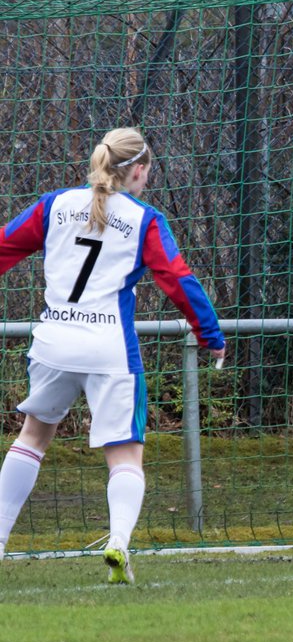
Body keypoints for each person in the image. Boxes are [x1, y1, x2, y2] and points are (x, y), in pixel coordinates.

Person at [0, 127, 226, 582]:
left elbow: (4, 246)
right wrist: (209, 334)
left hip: (54, 343)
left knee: (31, 440)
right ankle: (118, 543)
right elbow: (176, 278)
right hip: (110, 352)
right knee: (125, 456)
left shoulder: (54, 205)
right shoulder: (144, 219)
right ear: (139, 171)